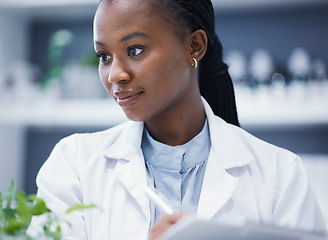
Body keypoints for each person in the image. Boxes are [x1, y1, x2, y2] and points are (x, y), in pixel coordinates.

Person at [28, 0, 327, 239]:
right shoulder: (75, 164)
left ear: (194, 47)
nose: (115, 74)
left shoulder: (280, 175)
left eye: (134, 50)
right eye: (104, 56)